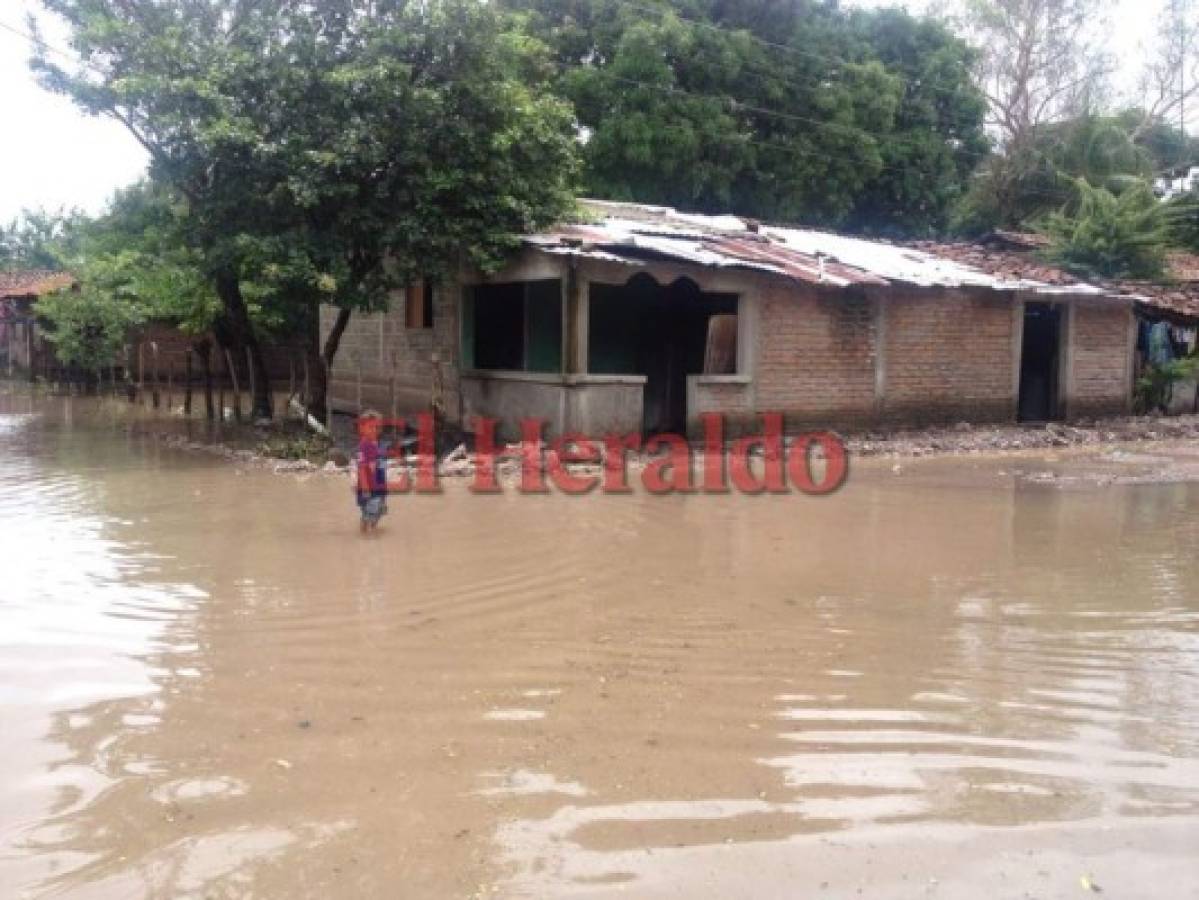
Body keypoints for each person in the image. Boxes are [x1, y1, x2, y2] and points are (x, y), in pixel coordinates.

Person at [355, 410, 389, 533]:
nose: (374, 430)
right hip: (369, 488)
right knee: (369, 515)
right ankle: (368, 538)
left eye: (377, 427)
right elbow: (362, 468)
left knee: (377, 513)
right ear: (362, 428)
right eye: (371, 427)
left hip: (379, 487)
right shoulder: (364, 446)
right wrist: (365, 488)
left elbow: (380, 464)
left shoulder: (377, 444)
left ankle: (368, 531)